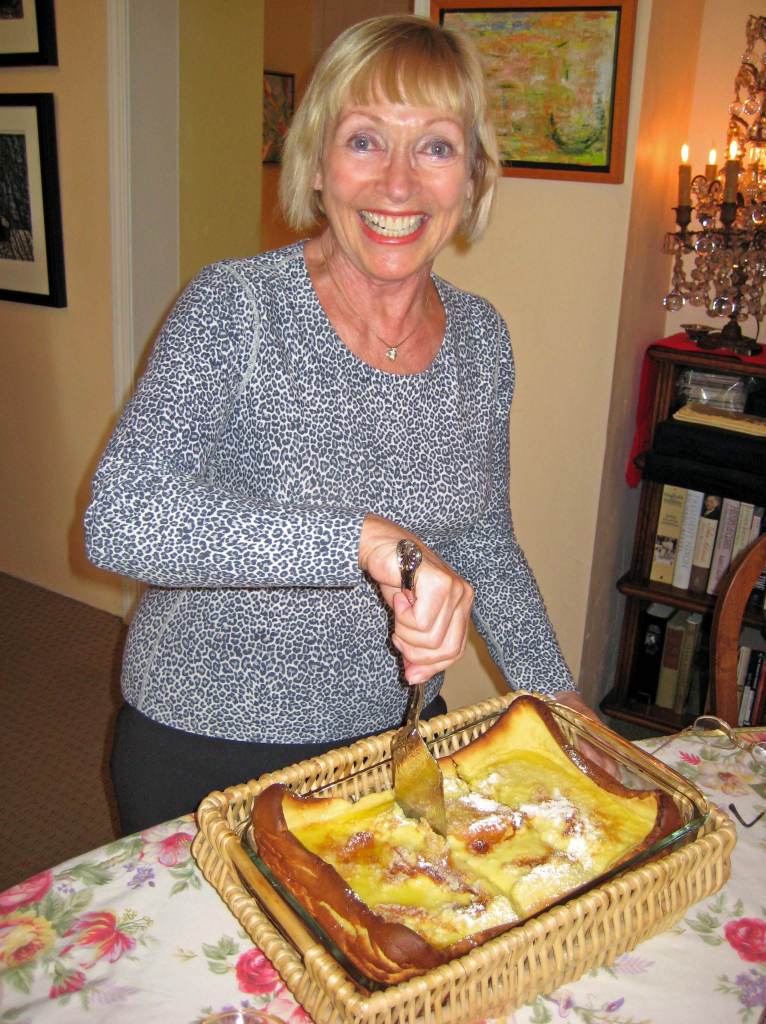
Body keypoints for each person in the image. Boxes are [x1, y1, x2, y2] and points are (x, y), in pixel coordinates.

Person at [85, 15, 590, 835]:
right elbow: (121, 517)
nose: (398, 183)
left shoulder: (482, 339)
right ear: (317, 166)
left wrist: (558, 697)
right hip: (208, 742)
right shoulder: (236, 307)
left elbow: (483, 539)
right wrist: (362, 540)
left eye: (435, 147)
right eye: (364, 141)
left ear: (472, 178)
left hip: (395, 737)